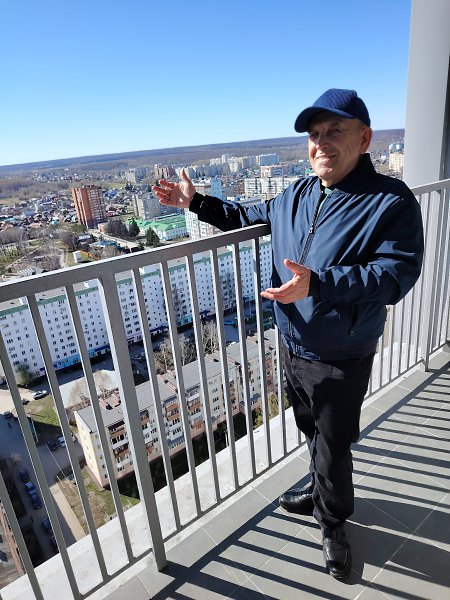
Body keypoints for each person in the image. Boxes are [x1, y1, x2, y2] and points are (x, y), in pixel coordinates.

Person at [153, 88, 424, 580]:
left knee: (333, 444)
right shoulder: (296, 194)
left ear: (365, 139)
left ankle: (333, 522)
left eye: (335, 131)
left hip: (341, 349)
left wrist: (319, 283)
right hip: (293, 340)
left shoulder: (390, 201)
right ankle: (319, 491)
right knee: (310, 429)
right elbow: (245, 215)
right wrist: (195, 202)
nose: (321, 143)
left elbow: (395, 275)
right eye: (314, 134)